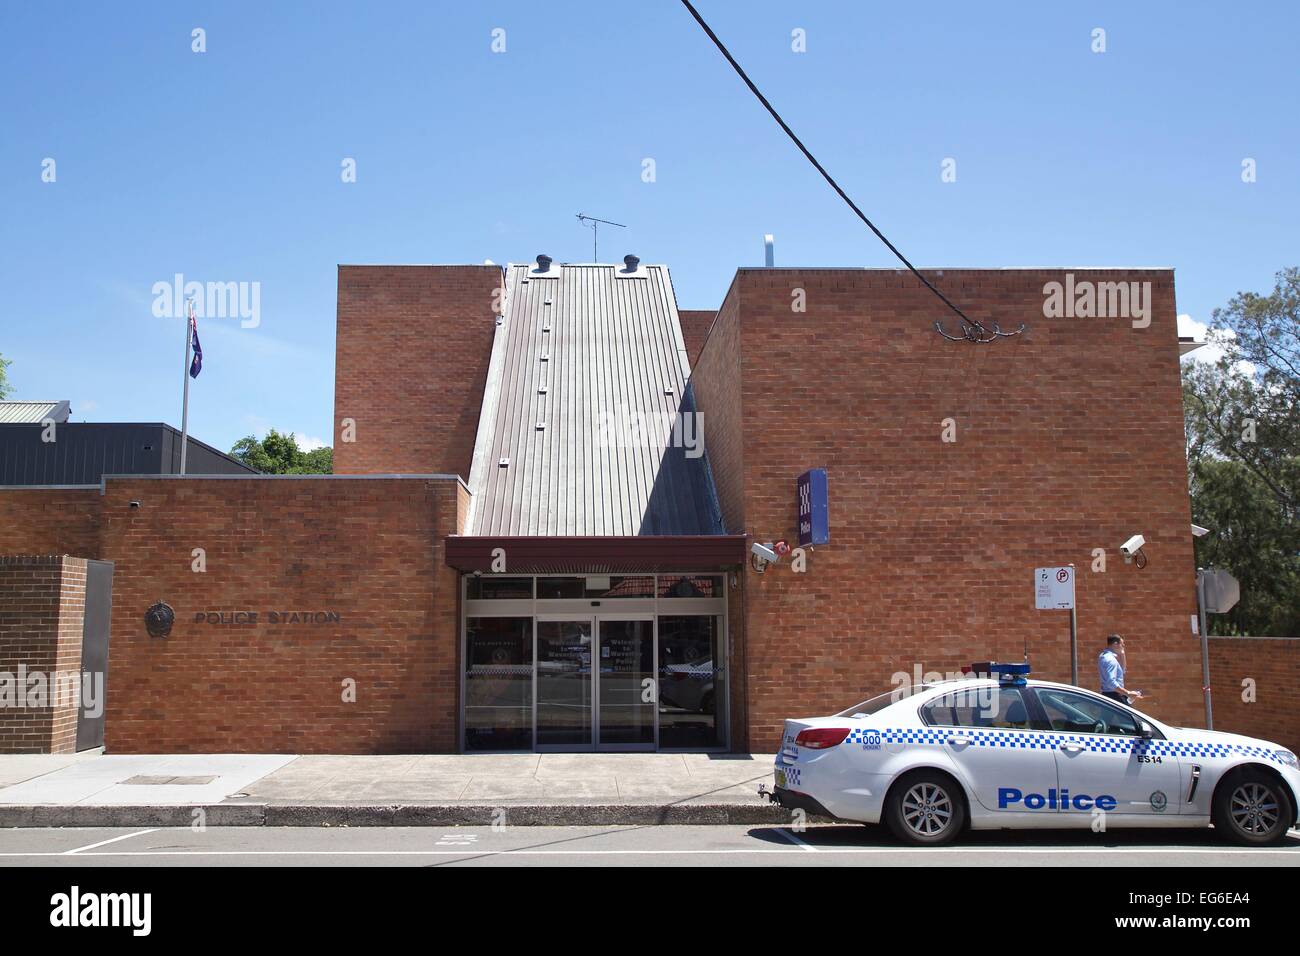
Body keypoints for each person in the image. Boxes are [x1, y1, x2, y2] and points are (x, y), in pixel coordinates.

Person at [1098, 634, 1141, 703]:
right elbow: (1111, 683)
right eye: (1122, 644)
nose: (1123, 646)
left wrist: (1122, 655)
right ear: (1115, 644)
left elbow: (1122, 671)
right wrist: (1128, 693)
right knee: (1128, 714)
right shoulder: (1111, 660)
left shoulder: (1103, 656)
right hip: (1114, 696)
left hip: (1109, 695)